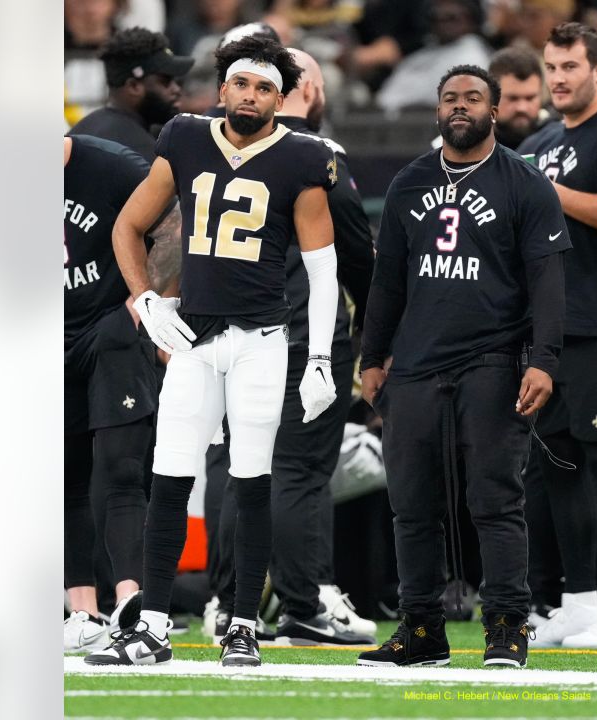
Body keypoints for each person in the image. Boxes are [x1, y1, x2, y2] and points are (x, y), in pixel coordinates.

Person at [85, 35, 341, 668]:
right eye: (242, 84)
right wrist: (145, 299)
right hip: (195, 337)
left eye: (264, 88)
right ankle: (151, 627)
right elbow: (129, 224)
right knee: (169, 479)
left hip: (260, 341)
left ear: (281, 100)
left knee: (252, 482)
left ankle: (243, 625)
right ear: (222, 87)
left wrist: (320, 360)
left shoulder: (304, 158)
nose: (251, 96)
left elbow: (323, 268)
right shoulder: (185, 137)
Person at [355, 64, 571, 669]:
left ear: (494, 110)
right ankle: (421, 628)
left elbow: (548, 280)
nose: (460, 106)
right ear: (437, 109)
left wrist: (544, 360)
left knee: (495, 501)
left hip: (494, 359)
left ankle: (506, 625)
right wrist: (373, 357)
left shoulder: (524, 184)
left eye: (473, 97)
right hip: (418, 364)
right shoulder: (408, 182)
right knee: (412, 504)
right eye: (450, 97)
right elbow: (387, 281)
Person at [204, 48, 377, 647]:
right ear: (302, 89)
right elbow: (358, 256)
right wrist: (380, 330)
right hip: (303, 333)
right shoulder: (317, 155)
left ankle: (230, 606)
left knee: (238, 467)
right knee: (299, 471)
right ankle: (304, 605)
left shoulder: (214, 148)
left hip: (228, 331)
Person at [62, 134, 181, 650]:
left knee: (121, 468)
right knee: (63, 474)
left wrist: (148, 297)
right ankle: (81, 613)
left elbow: (177, 226)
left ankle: (130, 600)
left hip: (109, 327)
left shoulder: (110, 165)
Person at [518, 21, 597, 649]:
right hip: (549, 330)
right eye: (552, 66)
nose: (558, 78)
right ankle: (578, 601)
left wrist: (547, 194)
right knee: (560, 469)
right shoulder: (544, 139)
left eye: (570, 66)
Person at [69, 28, 195, 162]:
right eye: (165, 81)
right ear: (134, 86)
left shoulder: (84, 127)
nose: (176, 90)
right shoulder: (140, 151)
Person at [376, 0, 492, 115]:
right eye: (435, 17)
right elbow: (385, 98)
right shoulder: (421, 55)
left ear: (470, 19)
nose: (442, 22)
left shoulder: (473, 56)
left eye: (451, 17)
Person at [488, 45, 553, 149]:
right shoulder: (473, 144)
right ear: (490, 96)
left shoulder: (556, 139)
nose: (522, 108)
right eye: (512, 98)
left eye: (530, 98)